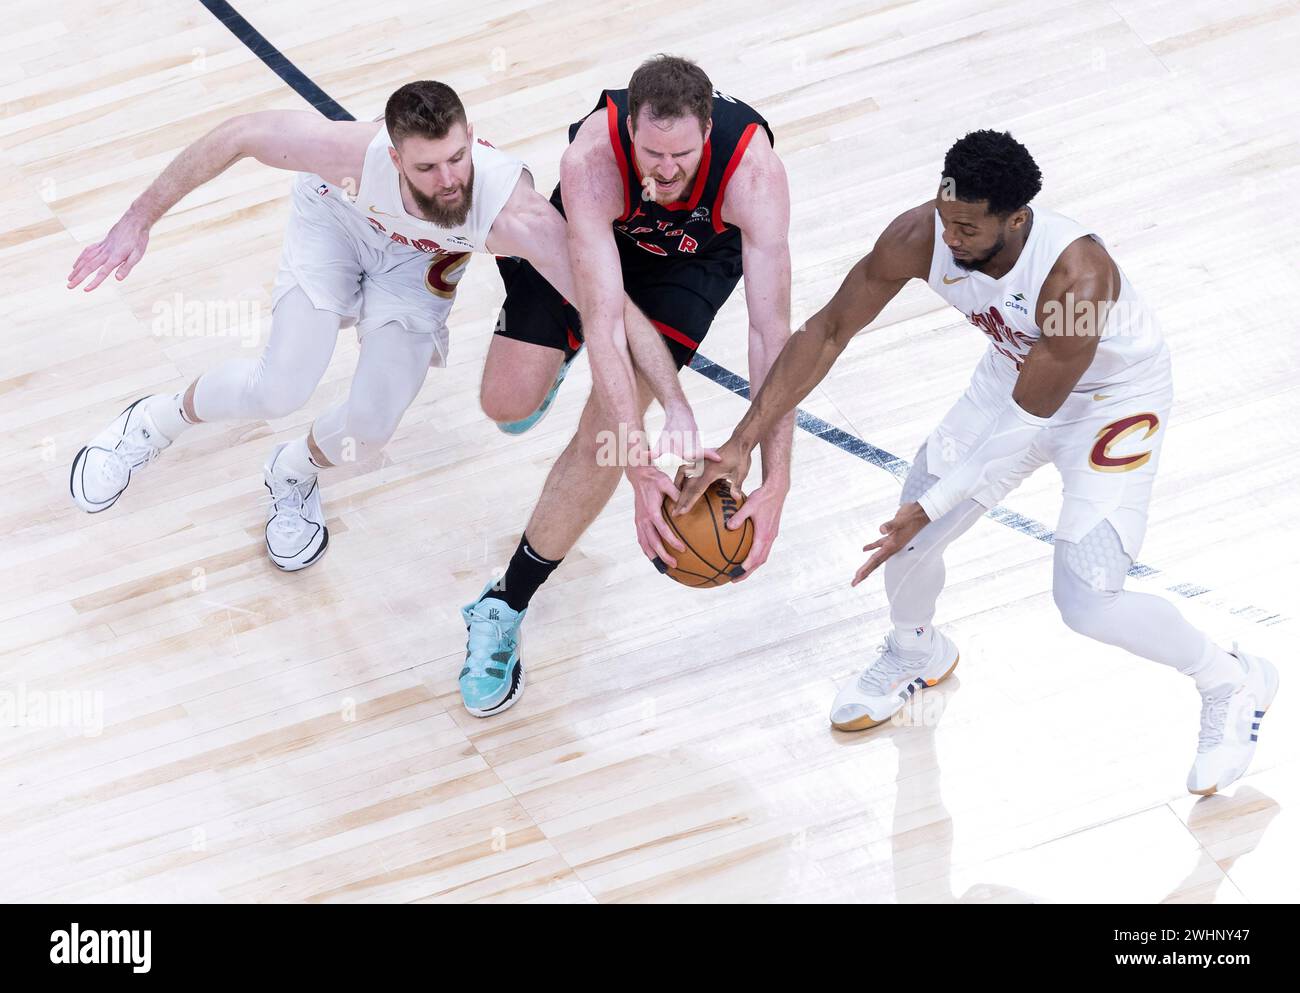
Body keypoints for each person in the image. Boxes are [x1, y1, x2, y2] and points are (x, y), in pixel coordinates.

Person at [679, 130, 1278, 795]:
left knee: (1087, 600)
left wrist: (930, 509)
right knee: (905, 546)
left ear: (1017, 219)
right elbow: (826, 331)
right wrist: (740, 441)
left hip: (1109, 402)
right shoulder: (922, 234)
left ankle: (1231, 677)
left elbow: (1026, 427)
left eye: (967, 226)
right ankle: (916, 650)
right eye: (945, 216)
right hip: (1014, 376)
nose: (951, 237)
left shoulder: (1077, 276)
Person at [68, 81, 609, 570]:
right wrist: (137, 219)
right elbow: (238, 134)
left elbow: (607, 304)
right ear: (394, 156)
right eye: (426, 168)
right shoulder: (349, 154)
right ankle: (155, 422)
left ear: (471, 136)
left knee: (370, 430)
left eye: (456, 158)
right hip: (339, 225)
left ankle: (291, 473)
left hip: (416, 265)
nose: (448, 181)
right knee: (279, 388)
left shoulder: (512, 209)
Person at [459, 55, 795, 717]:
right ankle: (546, 333)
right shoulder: (591, 161)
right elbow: (606, 316)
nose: (665, 170)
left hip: (691, 263)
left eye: (683, 155)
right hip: (599, 241)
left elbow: (771, 334)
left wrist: (777, 475)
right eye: (650, 152)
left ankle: (504, 602)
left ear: (708, 131)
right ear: (629, 133)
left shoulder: (755, 175)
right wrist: (644, 471)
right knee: (506, 401)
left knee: (604, 441)